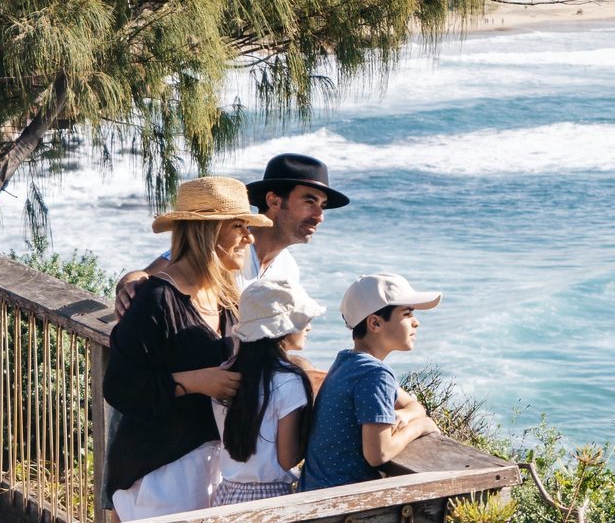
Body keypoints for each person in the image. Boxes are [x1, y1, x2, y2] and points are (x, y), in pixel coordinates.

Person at [104, 177, 265, 520]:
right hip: (161, 474)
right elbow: (119, 386)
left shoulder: (226, 299)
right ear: (208, 231)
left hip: (212, 470)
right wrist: (193, 382)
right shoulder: (155, 299)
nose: (249, 238)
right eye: (239, 226)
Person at [115, 153, 350, 314]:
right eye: (310, 202)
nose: (320, 215)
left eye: (323, 205)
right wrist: (131, 286)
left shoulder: (288, 269)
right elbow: (148, 274)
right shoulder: (223, 247)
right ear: (274, 200)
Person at [298, 274, 442, 492]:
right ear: (375, 323)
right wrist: (420, 427)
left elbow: (415, 406)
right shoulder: (376, 374)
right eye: (407, 314)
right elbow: (378, 454)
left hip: (314, 493)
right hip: (341, 505)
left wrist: (404, 416)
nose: (416, 322)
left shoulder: (347, 362)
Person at [215, 281, 322, 504]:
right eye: (303, 321)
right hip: (270, 498)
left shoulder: (225, 372)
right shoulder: (289, 380)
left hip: (227, 494)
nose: (309, 326)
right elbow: (287, 459)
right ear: (281, 330)